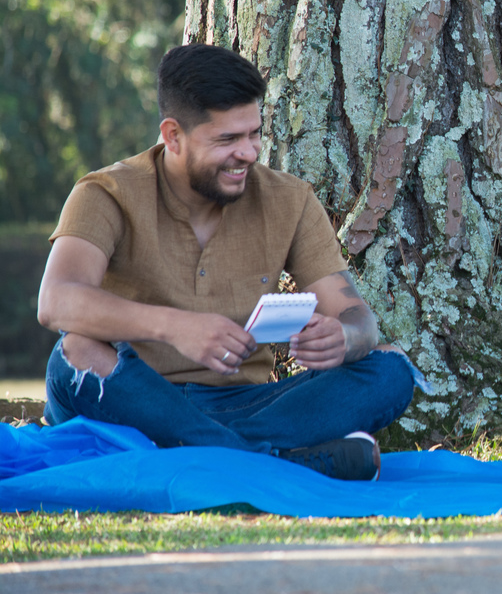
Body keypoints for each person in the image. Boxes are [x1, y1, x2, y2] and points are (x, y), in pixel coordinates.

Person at [37, 44, 421, 481]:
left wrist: (344, 337)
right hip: (132, 394)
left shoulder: (289, 200)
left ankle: (225, 453)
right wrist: (175, 327)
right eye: (228, 140)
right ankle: (274, 463)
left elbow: (358, 319)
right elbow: (56, 302)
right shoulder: (105, 194)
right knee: (77, 353)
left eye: (254, 133)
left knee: (389, 367)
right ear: (173, 135)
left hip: (245, 404)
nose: (250, 153)